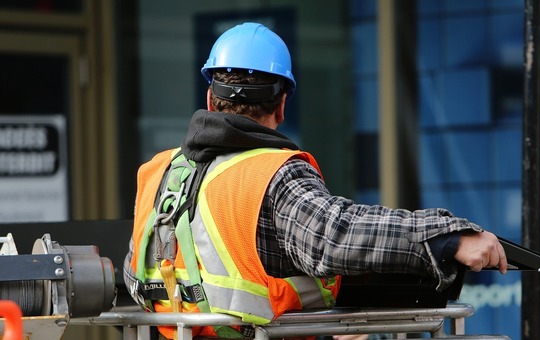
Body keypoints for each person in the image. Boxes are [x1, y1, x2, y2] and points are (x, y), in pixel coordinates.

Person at [123, 22, 507, 340]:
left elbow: (136, 271)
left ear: (210, 99)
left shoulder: (159, 172)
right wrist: (447, 236)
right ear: (283, 105)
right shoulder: (272, 174)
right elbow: (333, 237)